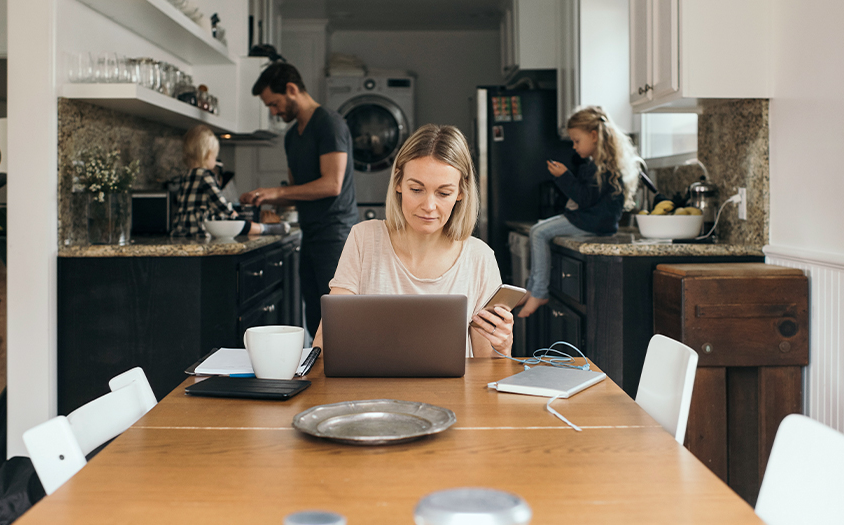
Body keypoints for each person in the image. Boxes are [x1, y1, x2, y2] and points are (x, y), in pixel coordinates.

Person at [314, 124, 513, 358]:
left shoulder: (480, 258)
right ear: (398, 182)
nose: (428, 206)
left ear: (461, 192)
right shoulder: (363, 239)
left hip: (453, 395)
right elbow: (327, 340)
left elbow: (486, 368)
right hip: (374, 392)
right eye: (417, 189)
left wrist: (502, 347)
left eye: (444, 193)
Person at [240, 63, 358, 338]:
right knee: (315, 315)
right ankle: (320, 376)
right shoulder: (292, 136)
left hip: (335, 235)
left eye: (274, 103)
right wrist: (263, 197)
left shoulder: (329, 123)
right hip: (311, 233)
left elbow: (331, 184)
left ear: (292, 90)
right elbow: (298, 191)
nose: (273, 111)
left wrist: (276, 192)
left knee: (337, 318)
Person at [518, 106, 642, 317]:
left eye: (576, 140)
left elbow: (584, 199)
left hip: (590, 222)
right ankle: (532, 289)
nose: (574, 146)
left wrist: (564, 176)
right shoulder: (606, 165)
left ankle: (538, 291)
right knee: (540, 229)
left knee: (538, 232)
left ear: (594, 136)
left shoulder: (598, 168)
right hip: (597, 224)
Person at [172, 125, 287, 237]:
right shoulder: (205, 175)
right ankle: (265, 229)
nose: (215, 161)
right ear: (207, 155)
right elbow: (218, 201)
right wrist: (231, 212)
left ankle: (264, 228)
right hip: (201, 227)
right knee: (238, 223)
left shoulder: (185, 175)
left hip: (182, 228)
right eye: (214, 157)